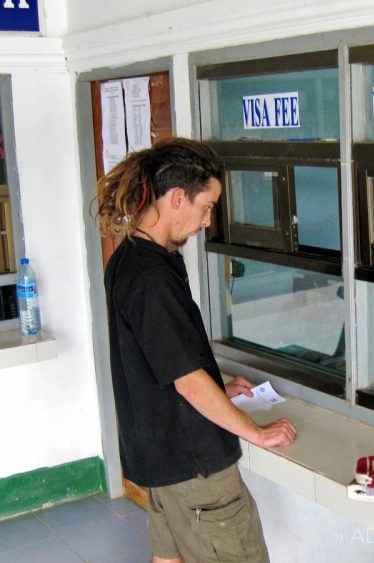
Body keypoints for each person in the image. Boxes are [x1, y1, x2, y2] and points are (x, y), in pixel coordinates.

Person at [94, 137, 296, 563]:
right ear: (178, 198)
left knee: (168, 558)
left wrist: (218, 387)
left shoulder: (130, 256)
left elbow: (160, 358)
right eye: (206, 207)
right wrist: (255, 431)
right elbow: (185, 381)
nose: (208, 221)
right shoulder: (151, 277)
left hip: (159, 458)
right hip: (195, 467)